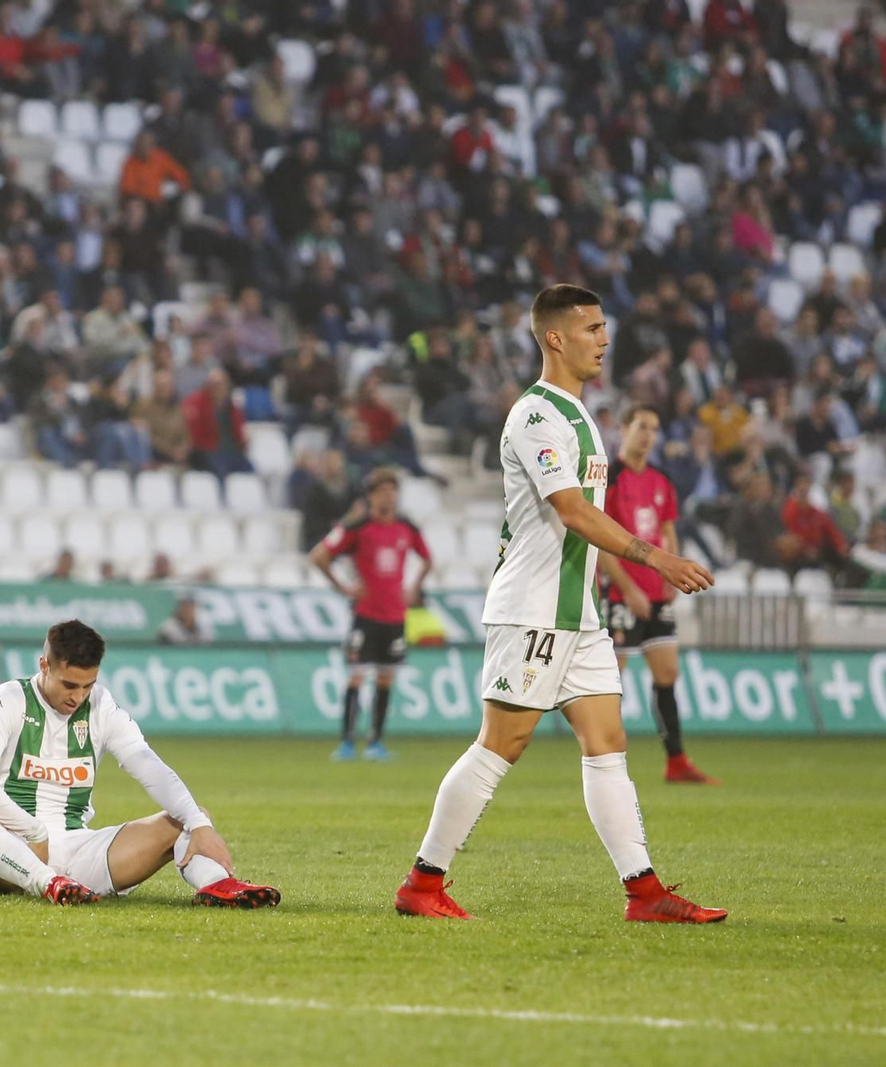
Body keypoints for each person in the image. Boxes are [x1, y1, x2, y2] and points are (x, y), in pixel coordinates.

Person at [395, 285, 726, 924]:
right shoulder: (537, 415)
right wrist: (656, 557)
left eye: (604, 328)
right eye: (593, 328)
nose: (604, 339)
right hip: (533, 609)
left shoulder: (579, 414)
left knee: (607, 744)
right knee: (501, 745)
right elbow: (571, 512)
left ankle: (644, 893)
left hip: (578, 614)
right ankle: (422, 882)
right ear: (555, 337)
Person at [0, 620, 280, 907]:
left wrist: (200, 825)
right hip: (10, 851)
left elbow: (147, 764)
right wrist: (32, 830)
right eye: (69, 685)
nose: (78, 697)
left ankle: (217, 885)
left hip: (76, 852)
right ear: (45, 666)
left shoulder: (100, 706)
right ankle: (46, 883)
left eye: (87, 685)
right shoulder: (8, 699)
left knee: (191, 816)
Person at [599, 406, 719, 785]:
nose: (648, 435)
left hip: (656, 593)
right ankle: (605, 762)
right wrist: (627, 587)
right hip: (621, 593)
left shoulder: (661, 480)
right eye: (641, 427)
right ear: (624, 429)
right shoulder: (610, 478)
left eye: (654, 428)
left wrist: (673, 574)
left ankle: (677, 761)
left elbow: (669, 532)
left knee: (668, 672)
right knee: (610, 679)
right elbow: (601, 539)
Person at [308, 468, 432, 762]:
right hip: (365, 615)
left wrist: (414, 586)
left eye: (393, 490)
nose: (389, 496)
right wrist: (342, 587)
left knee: (386, 679)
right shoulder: (358, 526)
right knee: (356, 677)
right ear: (372, 495)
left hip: (395, 617)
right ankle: (347, 742)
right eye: (382, 491)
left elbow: (427, 559)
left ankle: (376, 742)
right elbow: (319, 555)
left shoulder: (407, 528)